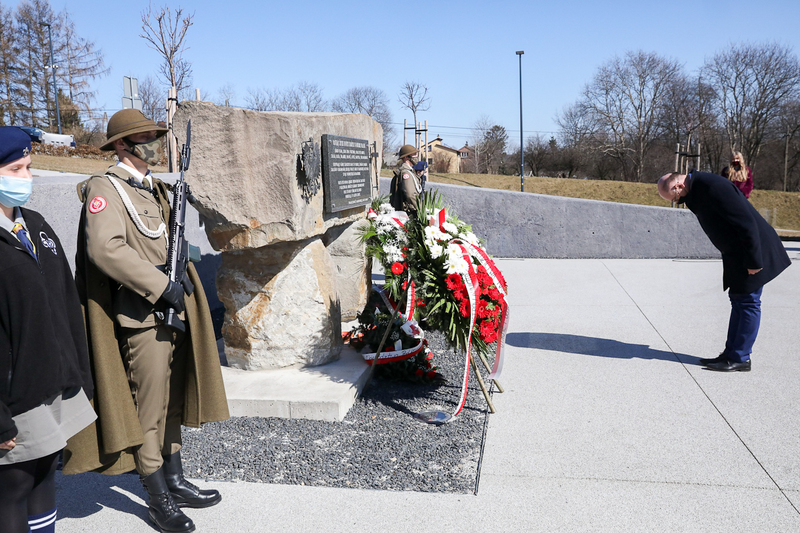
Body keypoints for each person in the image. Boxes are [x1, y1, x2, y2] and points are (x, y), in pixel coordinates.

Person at [63, 109, 229, 533]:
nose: (154, 143)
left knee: (172, 395)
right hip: (140, 313)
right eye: (144, 137)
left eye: (156, 135)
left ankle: (173, 479)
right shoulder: (107, 188)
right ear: (121, 144)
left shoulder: (152, 187)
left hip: (170, 305)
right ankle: (157, 497)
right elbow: (107, 250)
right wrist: (160, 287)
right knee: (149, 406)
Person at [0, 126, 96, 533]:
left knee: (44, 475)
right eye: (17, 169)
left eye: (30, 167)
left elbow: (66, 303)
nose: (28, 178)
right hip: (15, 395)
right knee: (13, 487)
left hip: (54, 381)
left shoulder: (35, 224)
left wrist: (82, 375)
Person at [657, 170, 790, 372]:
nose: (678, 202)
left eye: (675, 199)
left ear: (678, 186)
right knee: (738, 299)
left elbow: (746, 221)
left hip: (753, 252)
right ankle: (731, 353)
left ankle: (740, 357)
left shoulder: (712, 186)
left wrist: (754, 261)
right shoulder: (699, 188)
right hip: (738, 253)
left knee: (748, 302)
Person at [395, 144, 422, 214]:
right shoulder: (406, 173)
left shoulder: (409, 171)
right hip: (408, 212)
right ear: (407, 157)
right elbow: (410, 195)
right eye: (414, 154)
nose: (417, 156)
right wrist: (421, 209)